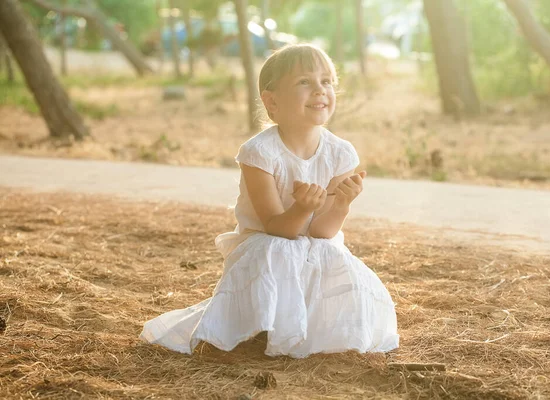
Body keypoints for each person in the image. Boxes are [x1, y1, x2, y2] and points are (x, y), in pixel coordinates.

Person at [140, 44, 399, 358]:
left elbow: (321, 233)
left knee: (333, 256)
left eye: (327, 81)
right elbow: (277, 228)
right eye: (305, 82)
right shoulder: (259, 153)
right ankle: (262, 326)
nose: (320, 89)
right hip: (264, 244)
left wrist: (341, 204)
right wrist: (302, 207)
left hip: (311, 244)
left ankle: (311, 330)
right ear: (272, 101)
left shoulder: (341, 153)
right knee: (277, 251)